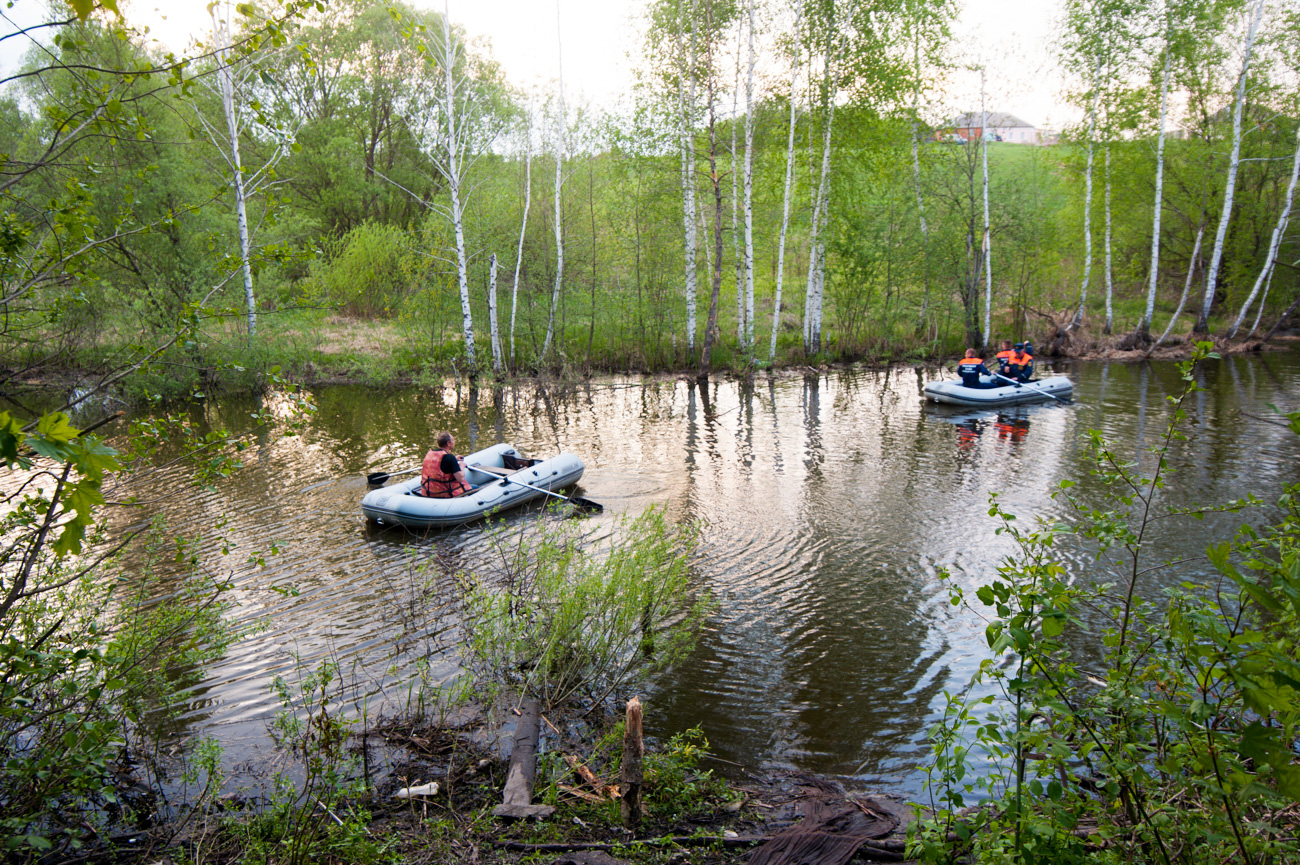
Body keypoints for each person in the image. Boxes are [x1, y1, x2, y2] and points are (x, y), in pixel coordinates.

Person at [421, 431, 474, 498]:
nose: (454, 442)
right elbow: (460, 478)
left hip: (430, 492)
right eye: (453, 440)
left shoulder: (430, 454)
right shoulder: (449, 458)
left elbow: (439, 464)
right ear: (448, 443)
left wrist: (454, 459)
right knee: (475, 487)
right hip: (445, 494)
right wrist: (462, 465)